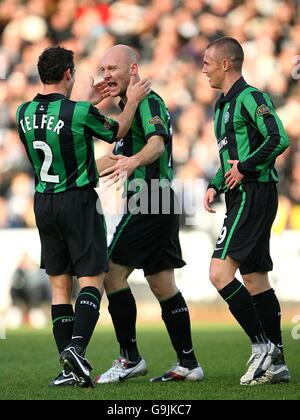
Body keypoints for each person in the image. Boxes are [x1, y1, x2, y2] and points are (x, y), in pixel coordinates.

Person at [16, 46, 151, 388]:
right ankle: (76, 350)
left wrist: (87, 102)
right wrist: (131, 99)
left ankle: (67, 370)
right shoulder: (77, 112)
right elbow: (117, 131)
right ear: (67, 74)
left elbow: (55, 126)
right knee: (91, 280)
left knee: (60, 287)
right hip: (77, 202)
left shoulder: (23, 112)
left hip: (43, 204)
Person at [94, 44, 204, 384]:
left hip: (150, 199)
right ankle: (188, 363)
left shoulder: (149, 102)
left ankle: (130, 358)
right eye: (103, 69)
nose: (107, 74)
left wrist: (134, 161)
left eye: (113, 68)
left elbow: (156, 144)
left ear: (133, 69)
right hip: (159, 201)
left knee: (110, 274)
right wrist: (75, 178)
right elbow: (114, 158)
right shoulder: (130, 109)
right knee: (161, 283)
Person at [202, 37, 290, 385]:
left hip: (254, 192)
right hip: (241, 192)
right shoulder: (221, 106)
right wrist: (215, 183)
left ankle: (262, 346)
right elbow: (230, 159)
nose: (203, 67)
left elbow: (278, 138)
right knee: (254, 279)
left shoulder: (250, 97)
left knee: (219, 274)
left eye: (208, 61)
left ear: (227, 64)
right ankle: (278, 362)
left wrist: (246, 168)